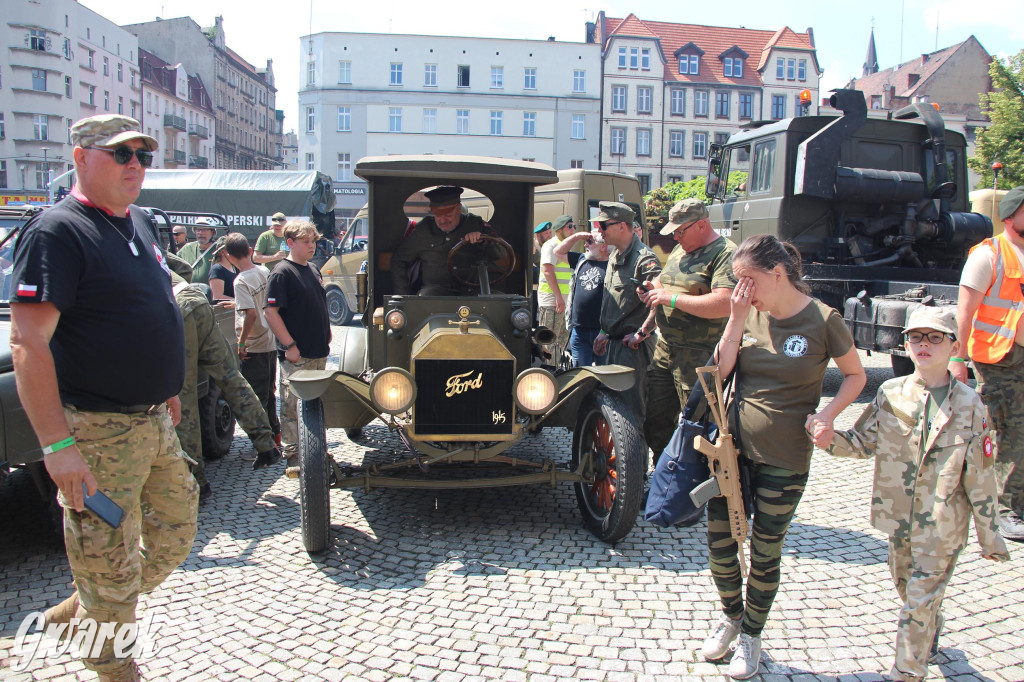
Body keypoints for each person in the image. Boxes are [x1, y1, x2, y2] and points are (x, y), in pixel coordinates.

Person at [8, 113, 195, 681]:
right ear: (81, 156)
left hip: (151, 422)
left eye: (143, 153)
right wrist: (56, 445)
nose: (135, 164)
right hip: (94, 432)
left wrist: (166, 392)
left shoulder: (135, 221)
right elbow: (27, 343)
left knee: (176, 528)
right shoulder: (57, 231)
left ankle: (84, 606)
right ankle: (113, 665)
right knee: (109, 564)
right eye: (121, 153)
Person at [812, 306, 1009, 682]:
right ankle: (931, 625)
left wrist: (990, 535)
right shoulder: (890, 393)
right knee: (907, 588)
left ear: (953, 347)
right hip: (898, 517)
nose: (924, 344)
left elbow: (981, 477)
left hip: (943, 525)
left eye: (935, 337)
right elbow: (862, 442)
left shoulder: (970, 405)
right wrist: (827, 439)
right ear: (904, 345)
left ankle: (907, 671)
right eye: (916, 337)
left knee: (917, 603)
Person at [701, 234, 866, 679]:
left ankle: (752, 635)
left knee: (765, 550)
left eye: (747, 281)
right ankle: (731, 617)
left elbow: (855, 375)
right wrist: (735, 321)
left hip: (786, 455)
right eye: (738, 283)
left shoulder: (824, 320)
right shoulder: (747, 312)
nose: (742, 290)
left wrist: (828, 414)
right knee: (719, 544)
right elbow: (717, 373)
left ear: (777, 274)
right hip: (731, 451)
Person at [166, 253, 281, 496]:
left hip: (175, 307)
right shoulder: (142, 235)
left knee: (183, 402)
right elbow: (184, 267)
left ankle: (196, 481)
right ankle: (266, 445)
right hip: (194, 300)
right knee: (231, 377)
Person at [950, 184, 1024, 542]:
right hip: (999, 359)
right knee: (1011, 432)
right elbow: (964, 313)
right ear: (1011, 215)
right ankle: (1006, 509)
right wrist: (958, 359)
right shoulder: (989, 255)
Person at [638, 198, 736, 465]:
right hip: (665, 351)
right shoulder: (681, 250)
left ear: (702, 224)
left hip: (699, 355)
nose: (677, 237)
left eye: (681, 231)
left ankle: (698, 485)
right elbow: (663, 282)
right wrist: (650, 289)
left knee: (698, 424)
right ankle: (663, 477)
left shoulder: (725, 253)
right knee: (656, 417)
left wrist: (670, 299)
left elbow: (724, 303)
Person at [264, 220, 331, 467]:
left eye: (313, 241)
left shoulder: (313, 269)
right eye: (306, 242)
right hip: (297, 354)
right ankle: (293, 454)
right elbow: (271, 312)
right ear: (290, 243)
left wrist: (328, 331)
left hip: (318, 350)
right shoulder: (282, 272)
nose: (312, 246)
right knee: (293, 405)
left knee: (315, 405)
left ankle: (314, 452)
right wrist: (289, 345)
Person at [592, 202, 662, 423]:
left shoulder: (644, 259)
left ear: (622, 226)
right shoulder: (615, 255)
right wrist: (604, 330)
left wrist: (642, 333)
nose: (599, 230)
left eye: (604, 225)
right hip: (613, 345)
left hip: (632, 348)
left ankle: (635, 459)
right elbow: (613, 302)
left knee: (631, 415)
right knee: (615, 413)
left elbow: (659, 302)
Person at [222, 232, 282, 463]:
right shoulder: (263, 271)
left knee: (255, 398)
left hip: (255, 344)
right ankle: (275, 436)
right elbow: (260, 303)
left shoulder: (240, 281)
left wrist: (242, 343)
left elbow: (249, 315)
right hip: (269, 340)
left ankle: (264, 446)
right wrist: (237, 302)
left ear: (228, 256)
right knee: (269, 393)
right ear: (249, 250)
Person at [391, 186, 498, 296]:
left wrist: (483, 240)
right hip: (435, 293)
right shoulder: (423, 230)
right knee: (425, 297)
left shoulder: (476, 224)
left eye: (448, 215)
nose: (442, 220)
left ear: (459, 208)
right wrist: (402, 297)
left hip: (474, 291)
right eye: (438, 216)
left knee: (503, 305)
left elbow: (502, 252)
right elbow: (399, 260)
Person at [554, 227, 608, 367]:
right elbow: (558, 251)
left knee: (605, 377)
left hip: (602, 332)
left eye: (590, 241)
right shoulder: (582, 259)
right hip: (579, 330)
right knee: (580, 375)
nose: (585, 245)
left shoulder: (613, 266)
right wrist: (577, 236)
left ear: (603, 246)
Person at [538, 215, 576, 363]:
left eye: (574, 227)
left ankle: (556, 369)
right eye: (570, 227)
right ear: (559, 229)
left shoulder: (565, 246)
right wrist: (559, 298)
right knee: (548, 340)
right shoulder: (551, 245)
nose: (573, 230)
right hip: (552, 300)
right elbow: (548, 271)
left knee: (560, 341)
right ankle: (549, 372)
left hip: (563, 301)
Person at [176, 216, 219, 284]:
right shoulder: (186, 249)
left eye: (205, 229)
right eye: (198, 229)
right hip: (189, 292)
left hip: (211, 293)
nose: (201, 233)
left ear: (213, 233)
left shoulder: (220, 250)